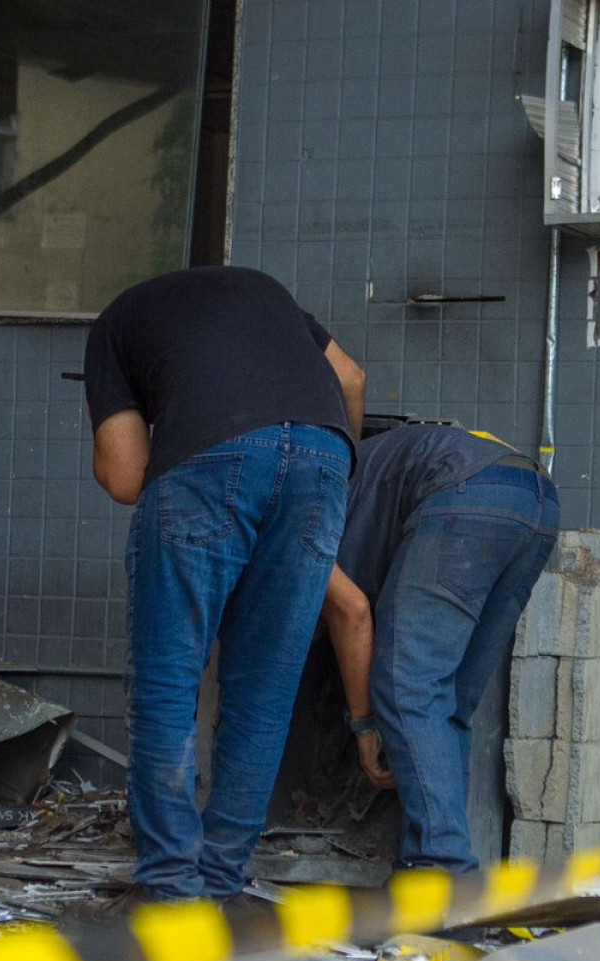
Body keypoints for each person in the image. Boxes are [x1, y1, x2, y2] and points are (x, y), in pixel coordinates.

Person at [84, 266, 365, 903]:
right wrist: (325, 471)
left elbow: (124, 477)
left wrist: (180, 440)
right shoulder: (268, 292)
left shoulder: (116, 323)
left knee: (168, 685)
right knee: (264, 693)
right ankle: (221, 880)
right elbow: (351, 379)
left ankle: (172, 887)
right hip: (324, 459)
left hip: (207, 460)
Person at [321, 424, 559, 873]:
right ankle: (431, 865)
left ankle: (443, 869)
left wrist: (365, 727)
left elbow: (350, 611)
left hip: (464, 494)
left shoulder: (292, 512)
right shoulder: (338, 470)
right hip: (535, 501)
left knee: (409, 686)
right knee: (449, 703)